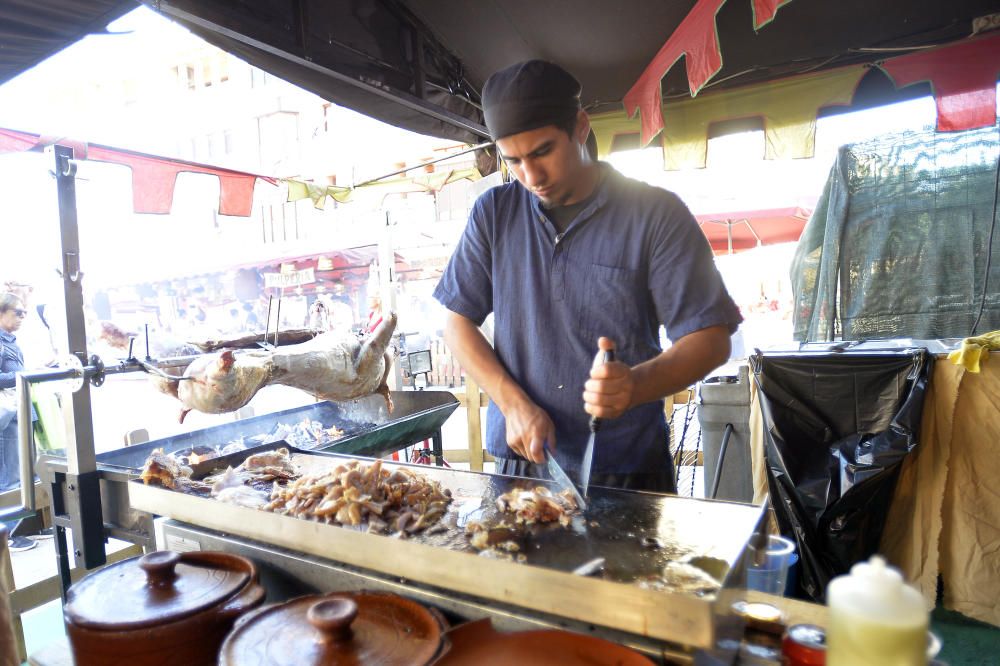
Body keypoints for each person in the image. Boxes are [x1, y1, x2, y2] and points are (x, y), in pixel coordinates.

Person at [433, 60, 742, 493]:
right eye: (514, 160)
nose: (531, 176)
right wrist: (512, 402)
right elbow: (457, 323)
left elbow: (710, 338)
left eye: (542, 151)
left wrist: (634, 385)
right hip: (520, 463)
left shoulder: (654, 214)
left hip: (625, 468)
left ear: (580, 126)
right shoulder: (494, 214)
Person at [0, 293, 38, 551]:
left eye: (25, 312)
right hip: (8, 416)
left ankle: (20, 526)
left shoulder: (10, 341)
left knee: (27, 471)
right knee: (11, 478)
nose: (23, 317)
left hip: (18, 413)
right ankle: (7, 534)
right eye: (18, 312)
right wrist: (23, 375)